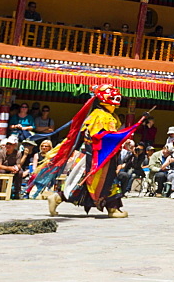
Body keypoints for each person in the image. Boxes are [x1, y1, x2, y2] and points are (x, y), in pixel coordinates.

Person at [37, 84, 134, 218]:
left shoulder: (105, 115)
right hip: (96, 157)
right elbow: (101, 137)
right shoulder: (100, 116)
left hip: (100, 156)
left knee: (85, 184)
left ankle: (58, 197)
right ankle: (113, 208)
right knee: (102, 181)